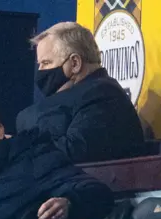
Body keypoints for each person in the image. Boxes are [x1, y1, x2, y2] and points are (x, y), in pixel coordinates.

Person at [16, 22, 145, 163]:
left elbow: (74, 150)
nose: (41, 71)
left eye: (46, 63)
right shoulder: (82, 96)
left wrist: (20, 149)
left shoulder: (103, 96)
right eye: (39, 64)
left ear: (75, 63)